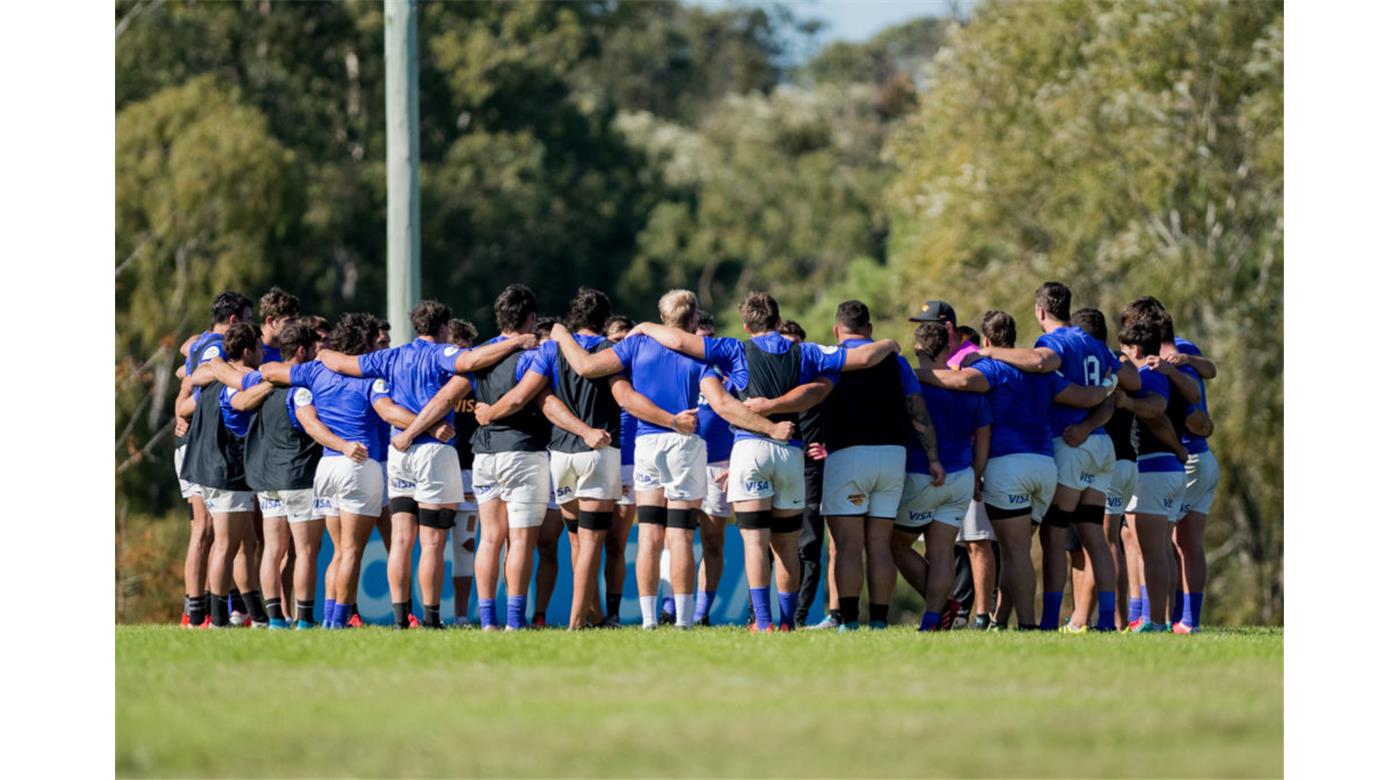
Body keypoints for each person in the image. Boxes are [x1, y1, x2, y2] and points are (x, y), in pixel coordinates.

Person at [635, 293, 898, 631]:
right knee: (787, 545)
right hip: (790, 451)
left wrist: (644, 325)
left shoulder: (734, 349)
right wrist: (889, 343)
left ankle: (763, 620)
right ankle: (788, 621)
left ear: (746, 325)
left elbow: (678, 340)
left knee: (755, 543)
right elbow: (862, 358)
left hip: (750, 450)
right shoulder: (806, 351)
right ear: (778, 320)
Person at [549, 289, 796, 630]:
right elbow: (724, 406)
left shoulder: (635, 346)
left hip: (647, 445)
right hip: (684, 444)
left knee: (650, 534)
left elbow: (587, 366)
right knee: (680, 535)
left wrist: (560, 332)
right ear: (693, 320)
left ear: (662, 317)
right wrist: (768, 427)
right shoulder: (700, 360)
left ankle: (650, 619)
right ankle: (683, 620)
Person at [319, 300, 525, 628]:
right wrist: (516, 340)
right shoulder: (441, 354)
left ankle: (401, 618)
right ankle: (430, 619)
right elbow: (471, 360)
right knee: (432, 542)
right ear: (443, 328)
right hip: (433, 451)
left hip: (399, 454)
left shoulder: (392, 355)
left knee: (401, 540)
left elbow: (344, 364)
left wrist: (322, 354)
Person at [923, 310, 1110, 630]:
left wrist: (912, 374)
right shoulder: (1045, 375)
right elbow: (1083, 397)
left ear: (985, 340)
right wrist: (1109, 384)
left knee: (1015, 551)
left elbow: (958, 381)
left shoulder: (990, 368)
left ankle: (1027, 623)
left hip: (1008, 465)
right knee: (1017, 551)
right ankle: (1002, 618)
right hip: (1045, 467)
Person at [976, 282, 1138, 631]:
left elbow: (1038, 362)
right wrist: (1106, 388)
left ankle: (1048, 622)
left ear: (1040, 312)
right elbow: (1132, 381)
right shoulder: (1096, 344)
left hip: (1070, 444)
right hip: (1100, 444)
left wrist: (991, 354)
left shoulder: (1052, 343)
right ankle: (1107, 621)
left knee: (1053, 536)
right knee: (1095, 534)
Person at [533, 290, 692, 629]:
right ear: (605, 321)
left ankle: (594, 614)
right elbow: (625, 398)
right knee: (592, 541)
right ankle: (578, 620)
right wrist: (672, 421)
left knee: (578, 540)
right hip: (598, 451)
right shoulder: (612, 352)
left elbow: (542, 399)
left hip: (559, 455)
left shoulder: (551, 347)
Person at [260, 313, 400, 628]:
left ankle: (328, 621)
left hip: (327, 466)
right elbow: (387, 411)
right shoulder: (370, 378)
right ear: (364, 348)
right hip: (359, 464)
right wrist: (422, 423)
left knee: (339, 552)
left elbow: (269, 370)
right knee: (352, 551)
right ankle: (336, 621)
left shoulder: (315, 372)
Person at [818, 300, 943, 632]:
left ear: (836, 330)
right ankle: (878, 620)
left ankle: (847, 620)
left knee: (847, 544)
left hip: (848, 455)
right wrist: (933, 457)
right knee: (879, 542)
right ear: (869, 329)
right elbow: (918, 411)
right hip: (892, 456)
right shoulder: (898, 362)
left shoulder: (830, 358)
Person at [893, 322, 991, 631]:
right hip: (962, 476)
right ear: (949, 349)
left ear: (917, 348)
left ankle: (945, 607)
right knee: (942, 550)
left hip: (924, 475)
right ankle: (933, 619)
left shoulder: (911, 384)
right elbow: (984, 435)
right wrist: (977, 475)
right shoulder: (970, 386)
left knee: (894, 544)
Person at [178, 322, 268, 627]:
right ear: (247, 350)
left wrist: (181, 414)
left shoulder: (214, 378)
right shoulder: (234, 382)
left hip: (213, 470)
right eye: (259, 346)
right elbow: (241, 398)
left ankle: (254, 615)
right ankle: (216, 618)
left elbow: (185, 404)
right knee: (226, 546)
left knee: (246, 544)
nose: (262, 351)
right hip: (226, 471)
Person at [1114, 318, 1191, 633]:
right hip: (1170, 470)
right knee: (1161, 550)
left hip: (1154, 469)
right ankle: (1163, 618)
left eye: (1122, 351)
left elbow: (1157, 412)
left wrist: (1128, 402)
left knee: (1152, 552)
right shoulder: (1166, 375)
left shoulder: (1146, 376)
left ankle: (1155, 620)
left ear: (1133, 349)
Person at [444, 319, 482, 627]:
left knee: (465, 545)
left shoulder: (478, 381)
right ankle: (422, 612)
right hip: (435, 467)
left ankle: (460, 615)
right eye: (459, 351)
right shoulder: (434, 379)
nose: (465, 358)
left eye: (468, 351)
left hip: (469, 470)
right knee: (428, 543)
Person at [603, 315, 637, 626]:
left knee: (615, 542)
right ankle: (588, 611)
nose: (622, 348)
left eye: (627, 341)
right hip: (597, 458)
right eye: (616, 341)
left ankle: (612, 614)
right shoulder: (596, 369)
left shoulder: (640, 370)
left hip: (629, 464)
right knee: (586, 541)